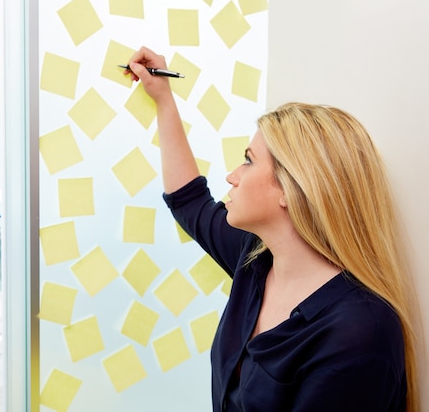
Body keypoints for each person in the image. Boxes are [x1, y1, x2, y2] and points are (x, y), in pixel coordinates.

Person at [124, 46, 421, 412]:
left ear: (291, 188)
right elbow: (189, 202)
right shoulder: (257, 261)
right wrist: (163, 97)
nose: (232, 176)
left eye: (248, 162)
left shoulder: (360, 333)